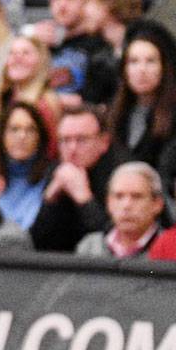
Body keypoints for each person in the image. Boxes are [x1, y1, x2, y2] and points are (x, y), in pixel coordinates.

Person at [108, 21, 176, 174]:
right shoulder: (115, 113)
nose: (142, 70)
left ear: (163, 68)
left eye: (150, 61)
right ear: (124, 70)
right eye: (133, 61)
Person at [30, 106, 115, 253]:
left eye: (81, 140)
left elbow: (116, 242)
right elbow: (37, 243)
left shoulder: (120, 175)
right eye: (65, 140)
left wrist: (85, 199)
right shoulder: (56, 170)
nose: (72, 148)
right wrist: (50, 199)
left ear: (104, 142)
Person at [76, 160, 166, 261]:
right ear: (108, 203)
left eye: (137, 197)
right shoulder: (90, 246)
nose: (126, 205)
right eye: (119, 196)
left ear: (157, 204)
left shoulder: (171, 248)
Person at [0, 99, 53, 232]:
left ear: (40, 138)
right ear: (2, 136)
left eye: (30, 130)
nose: (22, 136)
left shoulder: (52, 178)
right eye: (14, 129)